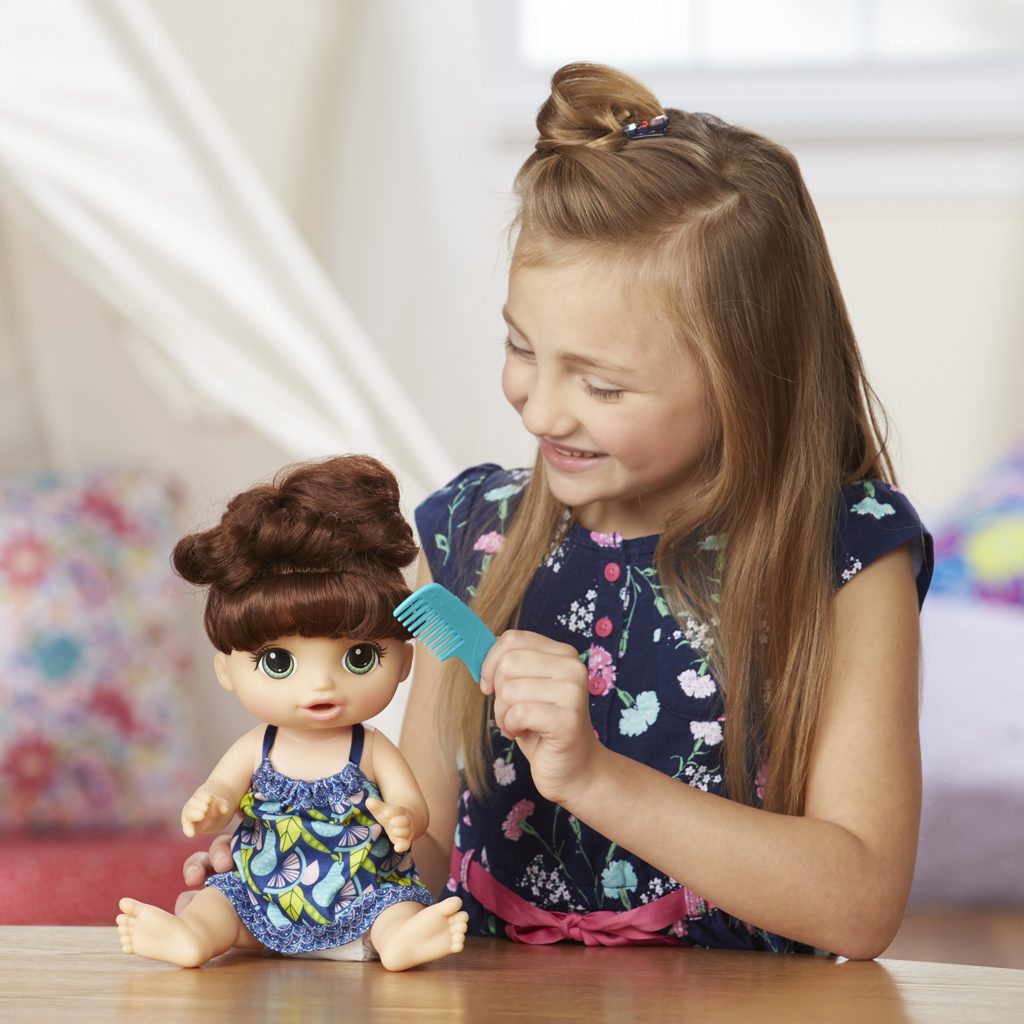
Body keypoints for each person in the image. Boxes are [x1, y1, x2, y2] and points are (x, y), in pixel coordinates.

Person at [185, 63, 932, 960]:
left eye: (602, 385)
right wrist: (293, 887)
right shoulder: (475, 535)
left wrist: (594, 779)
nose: (540, 410)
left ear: (748, 382)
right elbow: (419, 856)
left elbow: (860, 905)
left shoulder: (848, 555)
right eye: (521, 346)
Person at [118, 455, 468, 970]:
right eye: (279, 662)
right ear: (227, 672)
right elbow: (221, 789)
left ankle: (400, 940)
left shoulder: (370, 748)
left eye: (358, 657)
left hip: (359, 887)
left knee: (395, 903)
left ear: (403, 663)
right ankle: (192, 936)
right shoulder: (257, 747)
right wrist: (211, 806)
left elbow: (412, 806)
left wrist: (403, 819)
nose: (321, 684)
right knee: (222, 899)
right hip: (264, 886)